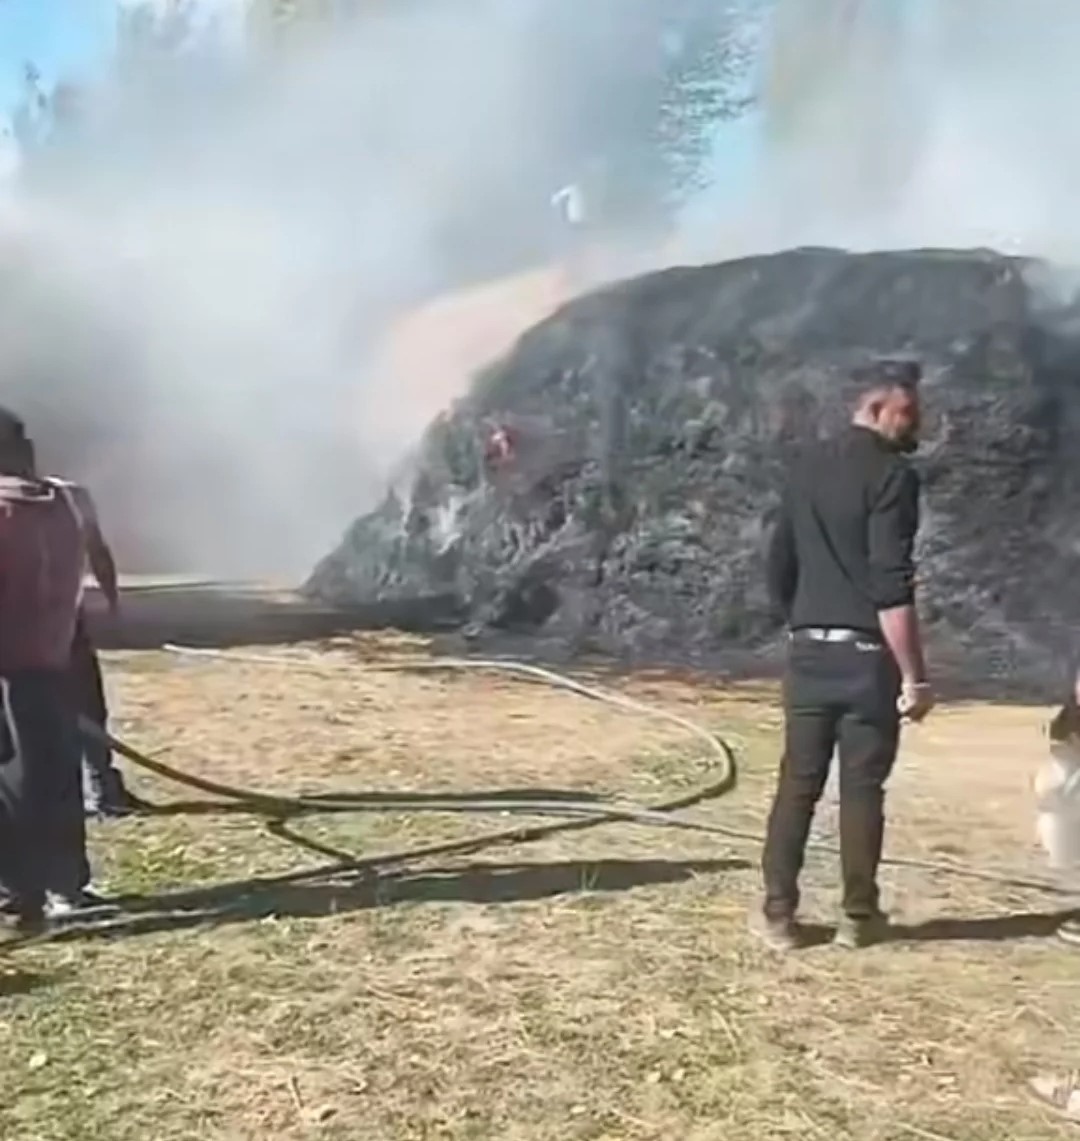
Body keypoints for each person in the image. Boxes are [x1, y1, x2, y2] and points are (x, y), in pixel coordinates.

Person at [754, 358, 934, 952]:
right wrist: (915, 676)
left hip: (808, 651)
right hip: (865, 660)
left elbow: (779, 563)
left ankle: (778, 914)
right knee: (862, 789)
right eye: (909, 412)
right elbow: (891, 583)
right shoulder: (893, 476)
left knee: (797, 784)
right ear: (876, 408)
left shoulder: (804, 468)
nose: (917, 423)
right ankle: (858, 917)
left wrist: (801, 620)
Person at [0, 410, 95, 928]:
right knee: (57, 776)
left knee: (16, 782)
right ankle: (66, 887)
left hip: (8, 670)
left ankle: (22, 894)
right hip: (54, 660)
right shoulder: (63, 504)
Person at [41, 472, 145, 817]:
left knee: (83, 707)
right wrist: (112, 601)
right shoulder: (71, 496)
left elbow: (98, 551)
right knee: (79, 707)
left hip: (57, 625)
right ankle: (96, 790)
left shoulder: (70, 496)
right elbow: (98, 551)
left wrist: (112, 599)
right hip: (53, 625)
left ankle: (100, 789)